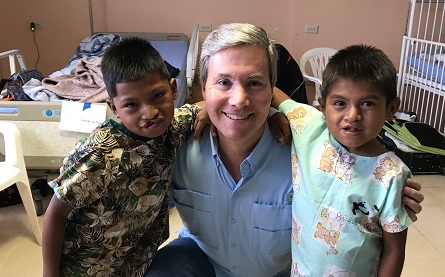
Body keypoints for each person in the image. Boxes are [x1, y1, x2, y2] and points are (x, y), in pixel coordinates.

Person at [147, 23, 424, 277]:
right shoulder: (178, 143)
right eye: (223, 83)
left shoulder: (307, 148)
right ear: (203, 89)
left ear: (272, 90)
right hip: (202, 262)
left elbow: (360, 169)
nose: (239, 100)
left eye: (254, 83)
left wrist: (386, 188)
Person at [42, 37, 207, 277]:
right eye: (131, 105)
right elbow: (56, 213)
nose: (149, 113)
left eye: (158, 96)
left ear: (174, 89)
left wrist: (280, 110)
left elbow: (212, 103)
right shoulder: (100, 153)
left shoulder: (174, 126)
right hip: (84, 267)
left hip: (134, 264)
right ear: (114, 107)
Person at [272, 44, 411, 276]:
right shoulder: (309, 126)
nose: (352, 115)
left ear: (391, 108)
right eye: (339, 103)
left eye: (367, 103)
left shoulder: (391, 175)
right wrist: (274, 113)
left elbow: (394, 250)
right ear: (322, 104)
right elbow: (272, 92)